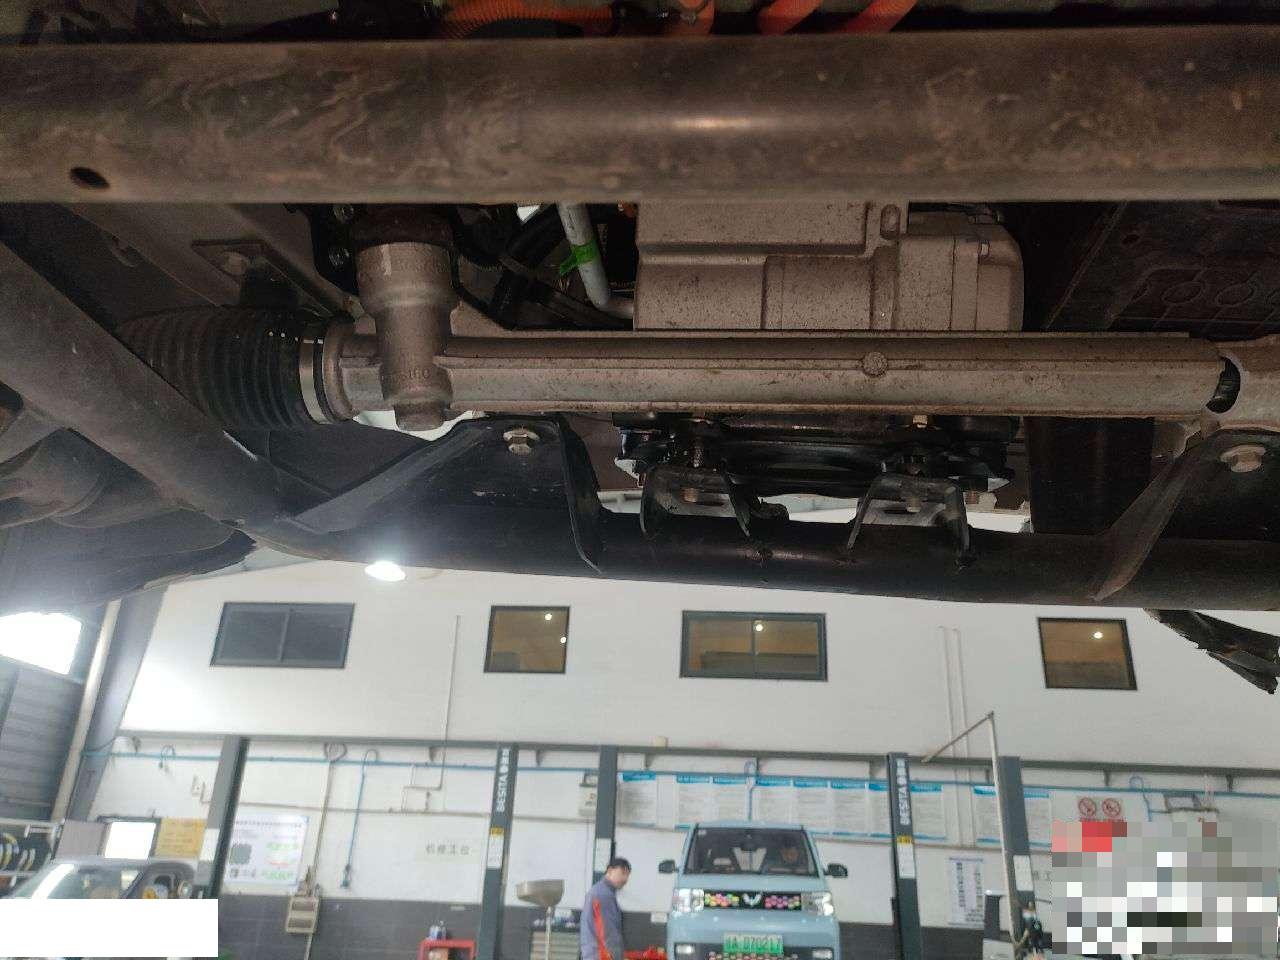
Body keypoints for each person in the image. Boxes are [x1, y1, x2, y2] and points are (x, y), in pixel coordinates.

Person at [581, 857, 631, 960]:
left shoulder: (599, 890)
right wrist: (618, 957)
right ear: (610, 871)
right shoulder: (604, 895)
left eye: (627, 875)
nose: (625, 879)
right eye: (622, 873)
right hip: (601, 955)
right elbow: (608, 931)